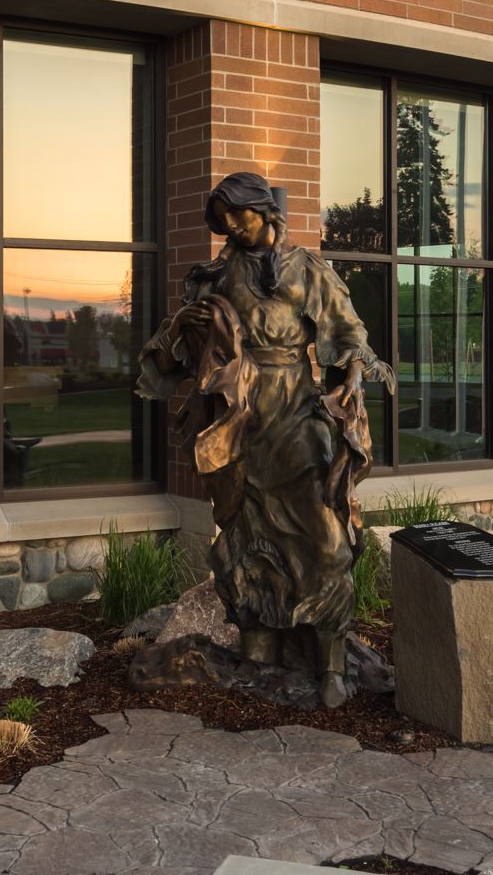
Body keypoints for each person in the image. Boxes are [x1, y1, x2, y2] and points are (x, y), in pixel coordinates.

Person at [139, 171, 392, 707]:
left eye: (239, 214)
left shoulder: (306, 270)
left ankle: (330, 663)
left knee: (324, 541)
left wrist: (350, 380)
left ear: (264, 211)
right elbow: (169, 355)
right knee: (244, 539)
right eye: (223, 218)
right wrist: (187, 321)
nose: (231, 226)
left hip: (298, 417)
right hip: (240, 424)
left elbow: (349, 336)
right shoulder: (213, 276)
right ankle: (258, 653)